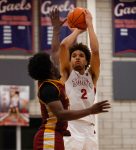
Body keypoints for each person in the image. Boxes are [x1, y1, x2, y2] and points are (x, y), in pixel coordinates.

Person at [59, 9, 101, 150]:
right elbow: (64, 46)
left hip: (90, 127)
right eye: (74, 55)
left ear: (86, 61)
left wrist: (89, 24)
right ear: (70, 60)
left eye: (81, 55)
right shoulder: (67, 73)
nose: (77, 57)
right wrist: (78, 31)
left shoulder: (92, 76)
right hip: (72, 125)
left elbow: (95, 51)